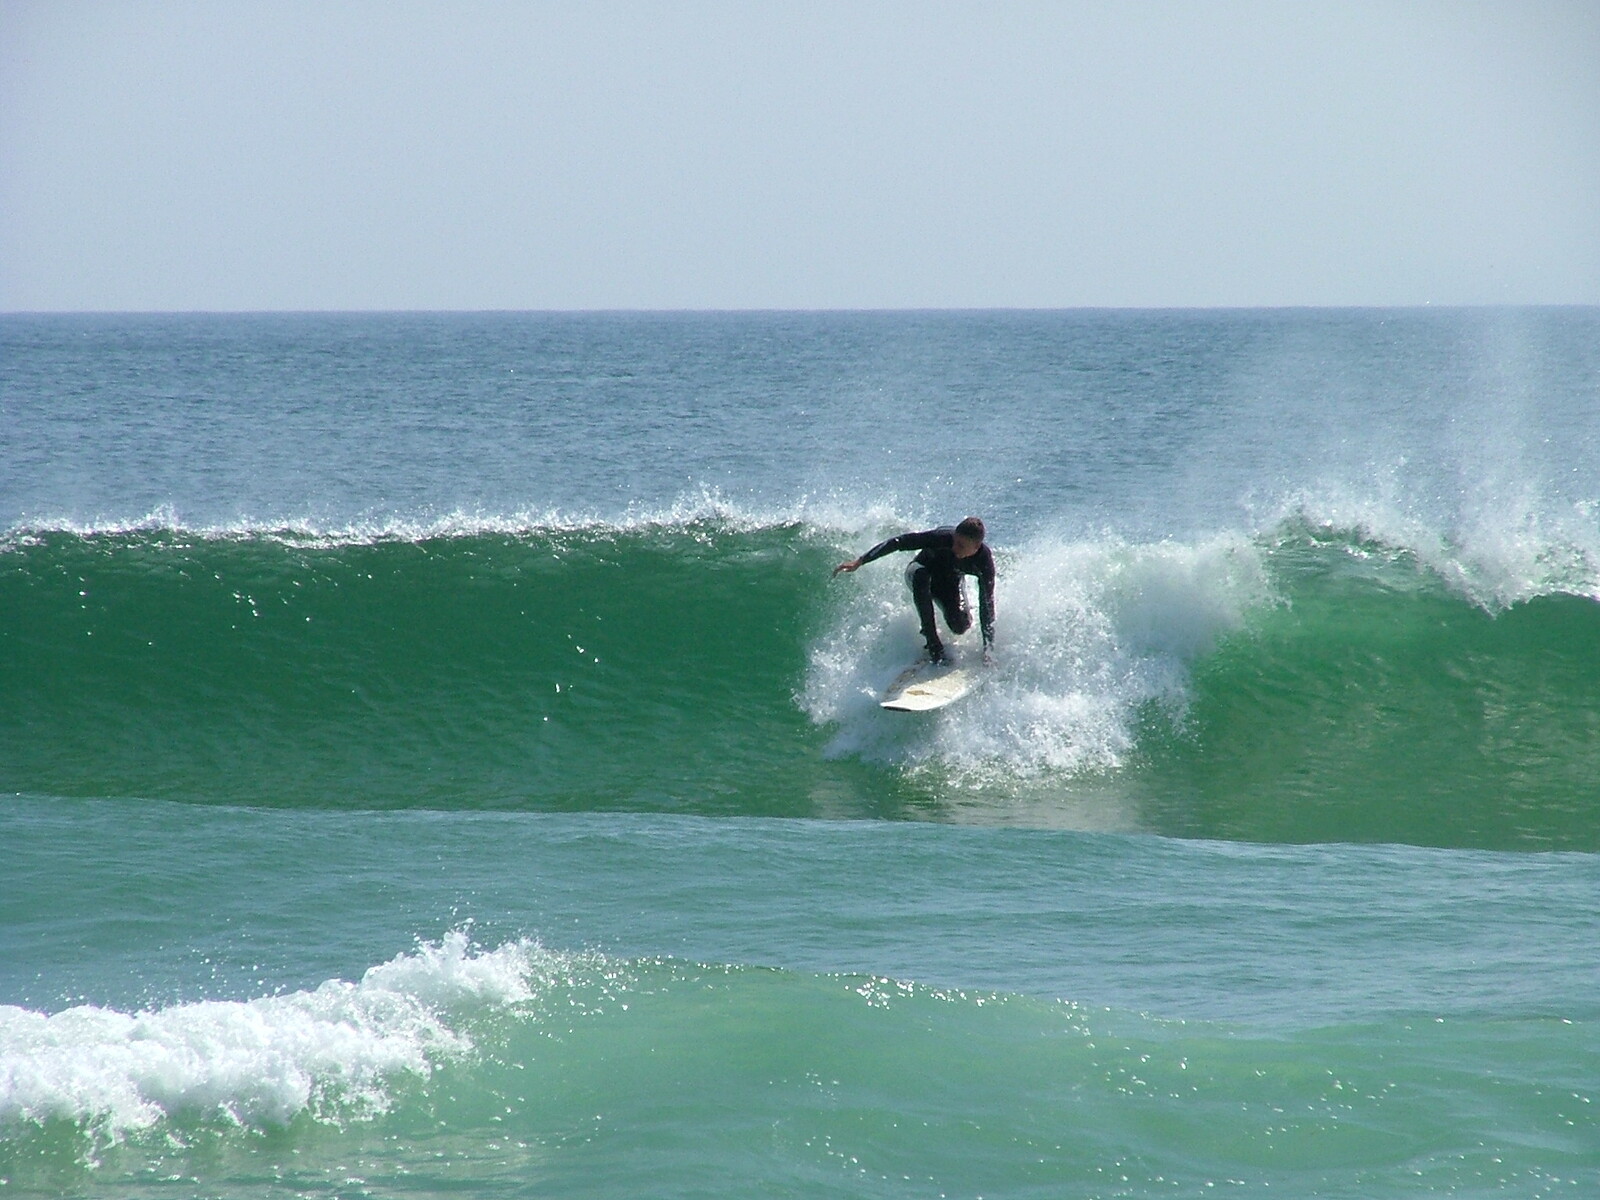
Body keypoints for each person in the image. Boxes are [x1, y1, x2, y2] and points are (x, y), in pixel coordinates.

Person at [833, 516, 995, 665]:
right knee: (922, 576)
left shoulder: (984, 563)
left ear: (976, 547)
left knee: (960, 627)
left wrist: (988, 648)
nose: (954, 547)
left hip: (949, 583)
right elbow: (898, 542)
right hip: (918, 573)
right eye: (955, 541)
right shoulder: (942, 538)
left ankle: (958, 617)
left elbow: (987, 605)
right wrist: (860, 561)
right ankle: (933, 643)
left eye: (961, 545)